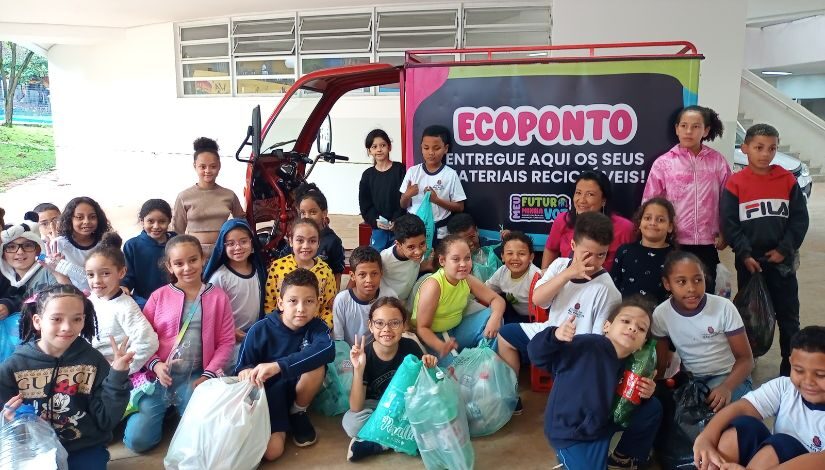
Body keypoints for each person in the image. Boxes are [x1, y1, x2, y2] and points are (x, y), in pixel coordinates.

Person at [0, 284, 134, 469]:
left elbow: (106, 420)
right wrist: (6, 418)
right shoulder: (14, 366)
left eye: (76, 319)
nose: (67, 327)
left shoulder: (92, 360)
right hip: (34, 450)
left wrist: (117, 376)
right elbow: (6, 423)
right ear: (37, 321)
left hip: (83, 447)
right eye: (56, 319)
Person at [122, 234, 235, 453]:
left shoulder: (218, 297)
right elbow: (141, 339)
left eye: (193, 260)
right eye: (179, 263)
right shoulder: (158, 297)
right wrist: (155, 364)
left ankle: (177, 409)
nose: (187, 268)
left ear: (203, 259)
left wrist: (207, 376)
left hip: (196, 377)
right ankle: (166, 412)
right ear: (169, 266)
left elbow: (226, 342)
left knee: (203, 441)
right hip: (159, 378)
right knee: (138, 442)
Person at [528, 297, 662, 470]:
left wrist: (646, 392)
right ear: (607, 326)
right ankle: (567, 463)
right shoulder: (586, 345)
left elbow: (628, 402)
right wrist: (554, 336)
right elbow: (537, 355)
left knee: (652, 407)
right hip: (572, 431)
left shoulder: (635, 365)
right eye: (626, 321)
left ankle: (623, 457)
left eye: (641, 328)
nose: (632, 328)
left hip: (603, 424)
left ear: (642, 343)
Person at [721, 123, 809, 377]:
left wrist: (785, 249)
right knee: (751, 316)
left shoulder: (787, 180)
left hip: (781, 263)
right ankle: (748, 362)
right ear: (745, 148)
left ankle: (789, 369)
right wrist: (744, 253)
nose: (765, 154)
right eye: (759, 148)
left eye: (772, 148)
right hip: (750, 263)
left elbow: (799, 220)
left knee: (788, 316)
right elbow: (730, 223)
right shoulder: (735, 183)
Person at [498, 212, 621, 382]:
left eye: (601, 255)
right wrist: (566, 275)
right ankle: (511, 395)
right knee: (505, 335)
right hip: (550, 333)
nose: (593, 262)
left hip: (577, 349)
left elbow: (598, 342)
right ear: (573, 245)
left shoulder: (608, 291)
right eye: (587, 254)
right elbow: (538, 300)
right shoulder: (559, 265)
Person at [236, 269, 335, 461]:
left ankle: (298, 412)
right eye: (293, 301)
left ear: (318, 303)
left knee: (317, 365)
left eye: (309, 301)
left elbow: (327, 351)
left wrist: (278, 366)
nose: (301, 308)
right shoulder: (259, 329)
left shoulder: (317, 327)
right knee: (272, 453)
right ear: (280, 303)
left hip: (299, 392)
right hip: (269, 398)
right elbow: (241, 366)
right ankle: (278, 424)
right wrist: (246, 371)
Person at [693, 326, 825, 470]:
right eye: (799, 371)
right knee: (744, 426)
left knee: (782, 443)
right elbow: (742, 408)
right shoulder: (785, 386)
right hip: (769, 461)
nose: (808, 381)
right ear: (791, 362)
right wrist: (705, 438)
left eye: (820, 375)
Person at [643, 105, 730, 293]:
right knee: (673, 291)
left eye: (696, 126)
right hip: (673, 241)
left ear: (705, 130)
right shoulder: (664, 163)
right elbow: (649, 203)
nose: (688, 131)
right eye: (684, 126)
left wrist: (725, 231)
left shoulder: (718, 162)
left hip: (707, 242)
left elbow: (728, 201)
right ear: (676, 129)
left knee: (704, 291)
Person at [653, 251, 754, 411]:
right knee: (676, 417)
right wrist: (657, 388)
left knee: (717, 415)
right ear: (667, 284)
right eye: (681, 282)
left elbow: (746, 360)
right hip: (692, 380)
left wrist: (726, 387)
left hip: (730, 376)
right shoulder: (661, 314)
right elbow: (660, 363)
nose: (692, 288)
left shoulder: (723, 307)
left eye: (698, 280)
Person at [344, 297, 436, 461]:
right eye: (379, 323)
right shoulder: (365, 354)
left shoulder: (410, 347)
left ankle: (379, 443)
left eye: (394, 323)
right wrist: (358, 370)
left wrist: (429, 366)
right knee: (351, 421)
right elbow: (356, 407)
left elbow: (424, 387)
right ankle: (400, 440)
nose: (386, 329)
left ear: (404, 325)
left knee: (436, 411)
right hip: (376, 407)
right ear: (370, 326)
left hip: (403, 405)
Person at [412, 234, 506, 365]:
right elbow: (422, 328)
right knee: (454, 373)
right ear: (442, 261)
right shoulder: (434, 285)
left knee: (494, 317)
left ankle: (485, 367)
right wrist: (441, 346)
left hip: (456, 330)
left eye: (467, 258)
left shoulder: (467, 279)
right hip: (433, 338)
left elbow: (497, 299)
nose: (463, 264)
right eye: (456, 259)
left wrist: (495, 318)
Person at [86, 233, 158, 375]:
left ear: (122, 272)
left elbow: (148, 342)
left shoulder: (126, 306)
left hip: (111, 375)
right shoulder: (91, 299)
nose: (96, 280)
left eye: (105, 273)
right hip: (91, 367)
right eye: (90, 275)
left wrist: (120, 368)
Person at [542, 170, 633, 271]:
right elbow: (551, 249)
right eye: (578, 193)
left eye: (590, 194)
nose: (582, 200)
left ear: (603, 200)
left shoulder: (625, 228)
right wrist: (545, 278)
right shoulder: (562, 220)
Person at [203, 218, 266, 362]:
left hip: (255, 334)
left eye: (243, 241)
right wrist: (230, 331)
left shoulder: (259, 271)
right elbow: (210, 312)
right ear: (223, 247)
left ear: (252, 243)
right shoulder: (220, 277)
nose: (238, 247)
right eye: (230, 243)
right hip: (229, 338)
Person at [172, 137, 245, 258]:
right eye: (202, 166)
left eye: (213, 166)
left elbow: (241, 221)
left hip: (223, 252)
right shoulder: (184, 196)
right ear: (195, 166)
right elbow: (177, 231)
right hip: (194, 255)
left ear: (219, 166)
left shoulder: (229, 195)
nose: (208, 171)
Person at [264, 218, 336, 328]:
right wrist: (277, 328)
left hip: (314, 332)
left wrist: (321, 329)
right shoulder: (277, 267)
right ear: (291, 241)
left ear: (318, 243)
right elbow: (270, 303)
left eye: (312, 241)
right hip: (282, 330)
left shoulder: (325, 271)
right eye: (300, 240)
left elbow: (328, 308)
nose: (306, 246)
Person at [400, 125, 466, 241]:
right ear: (421, 147)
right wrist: (407, 195)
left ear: (445, 149)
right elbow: (403, 204)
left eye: (436, 148)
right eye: (426, 148)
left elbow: (460, 207)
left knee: (437, 258)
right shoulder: (413, 172)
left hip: (440, 232)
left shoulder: (450, 174)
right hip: (414, 231)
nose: (431, 152)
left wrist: (436, 200)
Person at [610, 197, 677, 304]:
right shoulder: (624, 251)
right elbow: (613, 288)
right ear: (640, 223)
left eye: (660, 220)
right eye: (647, 218)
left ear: (670, 227)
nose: (653, 223)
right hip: (628, 316)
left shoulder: (677, 258)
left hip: (661, 318)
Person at [279, 183, 346, 289]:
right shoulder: (295, 237)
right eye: (303, 213)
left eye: (313, 212)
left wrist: (334, 297)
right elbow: (282, 261)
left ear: (324, 213)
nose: (307, 217)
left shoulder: (333, 241)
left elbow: (337, 272)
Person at [1, 221, 66, 317]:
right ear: (3, 254)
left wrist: (60, 275)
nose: (20, 252)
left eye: (27, 245)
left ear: (38, 249)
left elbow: (67, 301)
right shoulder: (5, 283)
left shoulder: (49, 271)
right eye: (11, 247)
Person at [333, 246, 395, 346]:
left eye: (374, 273)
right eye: (362, 274)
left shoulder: (389, 297)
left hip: (380, 353)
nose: (369, 280)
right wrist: (348, 361)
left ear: (381, 273)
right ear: (353, 276)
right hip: (349, 354)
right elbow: (338, 340)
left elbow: (395, 331)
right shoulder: (342, 300)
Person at [122, 199, 176, 309]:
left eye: (162, 221)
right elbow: (127, 276)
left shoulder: (177, 242)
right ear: (142, 221)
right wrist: (123, 286)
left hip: (175, 301)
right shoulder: (132, 245)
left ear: (169, 221)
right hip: (144, 303)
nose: (156, 226)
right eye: (150, 221)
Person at [49, 196, 112, 291]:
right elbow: (60, 278)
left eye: (92, 217)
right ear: (70, 219)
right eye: (79, 217)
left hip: (105, 294)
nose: (86, 221)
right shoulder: (59, 244)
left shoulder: (106, 243)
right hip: (72, 295)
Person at [359, 129, 406, 251]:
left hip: (399, 228)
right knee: (377, 259)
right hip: (378, 228)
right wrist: (375, 221)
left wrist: (396, 220)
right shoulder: (367, 175)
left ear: (389, 147)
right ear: (369, 151)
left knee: (397, 258)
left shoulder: (400, 169)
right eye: (374, 147)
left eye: (383, 145)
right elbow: (365, 205)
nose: (379, 150)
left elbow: (405, 198)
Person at [485, 230, 541, 324]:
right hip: (514, 313)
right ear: (502, 256)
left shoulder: (536, 276)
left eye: (521, 254)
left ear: (531, 257)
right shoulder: (502, 272)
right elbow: (485, 290)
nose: (515, 258)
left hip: (534, 319)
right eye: (510, 253)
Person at [378, 214, 428, 303]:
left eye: (422, 244)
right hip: (387, 305)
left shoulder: (416, 256)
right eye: (411, 247)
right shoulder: (384, 259)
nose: (418, 251)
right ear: (398, 244)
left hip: (405, 302)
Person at [447, 213, 502, 282]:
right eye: (463, 241)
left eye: (472, 237)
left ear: (476, 230)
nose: (470, 243)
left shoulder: (496, 248)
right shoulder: (452, 260)